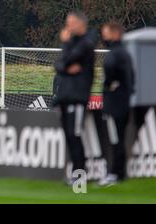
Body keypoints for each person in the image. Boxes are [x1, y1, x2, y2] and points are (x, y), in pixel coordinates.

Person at [53, 12, 96, 185]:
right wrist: (64, 67)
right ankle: (75, 174)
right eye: (67, 22)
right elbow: (59, 64)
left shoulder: (85, 44)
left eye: (71, 23)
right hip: (65, 97)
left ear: (81, 24)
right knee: (69, 137)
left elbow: (67, 59)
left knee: (75, 135)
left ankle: (80, 176)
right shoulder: (73, 44)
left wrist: (65, 45)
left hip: (78, 97)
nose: (68, 26)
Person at [98, 22, 134, 186]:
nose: (103, 36)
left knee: (115, 140)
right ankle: (120, 173)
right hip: (123, 102)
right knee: (119, 138)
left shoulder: (115, 54)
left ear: (115, 34)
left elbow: (112, 76)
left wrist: (109, 85)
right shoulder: (125, 53)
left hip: (114, 104)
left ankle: (114, 173)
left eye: (106, 33)